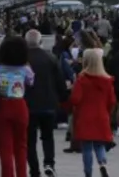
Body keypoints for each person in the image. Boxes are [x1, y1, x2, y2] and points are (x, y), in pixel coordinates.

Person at [24, 29, 68, 177]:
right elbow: (59, 81)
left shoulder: (22, 59)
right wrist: (63, 99)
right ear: (40, 41)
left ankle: (34, 169)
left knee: (30, 140)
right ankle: (49, 163)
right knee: (48, 136)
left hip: (28, 104)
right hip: (48, 103)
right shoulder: (51, 57)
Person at [0, 36, 35, 177]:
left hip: (2, 106)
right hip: (20, 105)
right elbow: (31, 82)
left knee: (5, 148)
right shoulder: (25, 69)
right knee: (21, 146)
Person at [69, 48, 115, 177]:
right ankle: (103, 163)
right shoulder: (107, 80)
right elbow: (112, 101)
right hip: (101, 115)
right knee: (100, 145)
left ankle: (88, 173)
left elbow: (75, 99)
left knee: (87, 148)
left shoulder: (82, 79)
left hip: (85, 116)